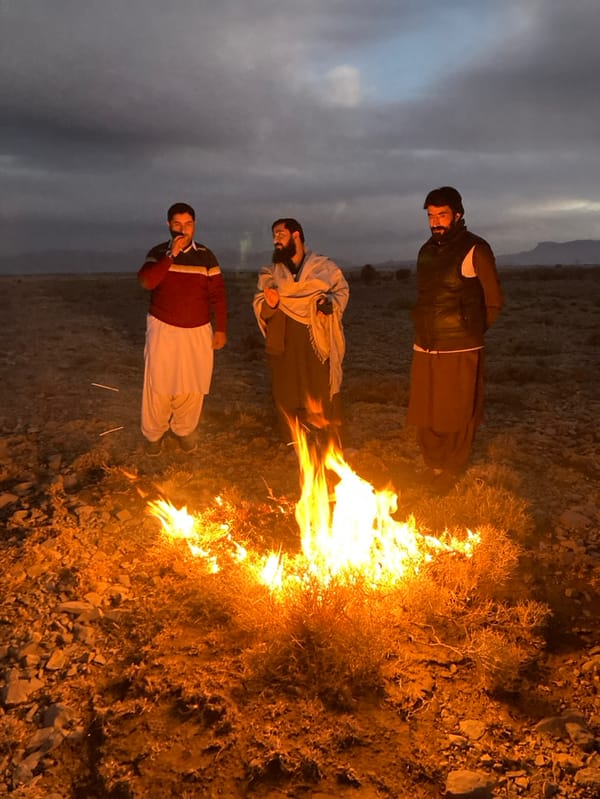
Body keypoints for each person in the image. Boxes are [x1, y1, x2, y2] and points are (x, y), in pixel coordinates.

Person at [406, 186, 503, 493]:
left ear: (458, 214)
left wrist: (469, 331)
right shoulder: (426, 250)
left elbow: (494, 301)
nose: (435, 221)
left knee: (458, 410)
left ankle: (451, 468)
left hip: (460, 344)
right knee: (427, 409)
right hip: (426, 343)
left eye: (442, 215)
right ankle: (433, 464)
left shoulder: (475, 249)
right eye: (431, 215)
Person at [138, 202, 227, 455]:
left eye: (187, 224)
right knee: (159, 381)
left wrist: (221, 328)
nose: (182, 229)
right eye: (177, 224)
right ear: (169, 225)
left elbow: (218, 295)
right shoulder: (158, 253)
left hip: (198, 329)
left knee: (192, 383)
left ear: (194, 225)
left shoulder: (206, 256)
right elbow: (147, 281)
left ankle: (184, 430)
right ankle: (154, 434)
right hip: (163, 326)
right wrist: (170, 256)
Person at [253, 218, 349, 447]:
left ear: (296, 235)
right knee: (286, 394)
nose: (276, 239)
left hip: (315, 340)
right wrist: (271, 304)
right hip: (284, 341)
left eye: (280, 234)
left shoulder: (325, 269)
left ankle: (327, 442)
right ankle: (295, 442)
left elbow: (341, 292)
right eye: (274, 235)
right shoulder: (270, 273)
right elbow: (262, 308)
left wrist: (329, 304)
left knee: (319, 390)